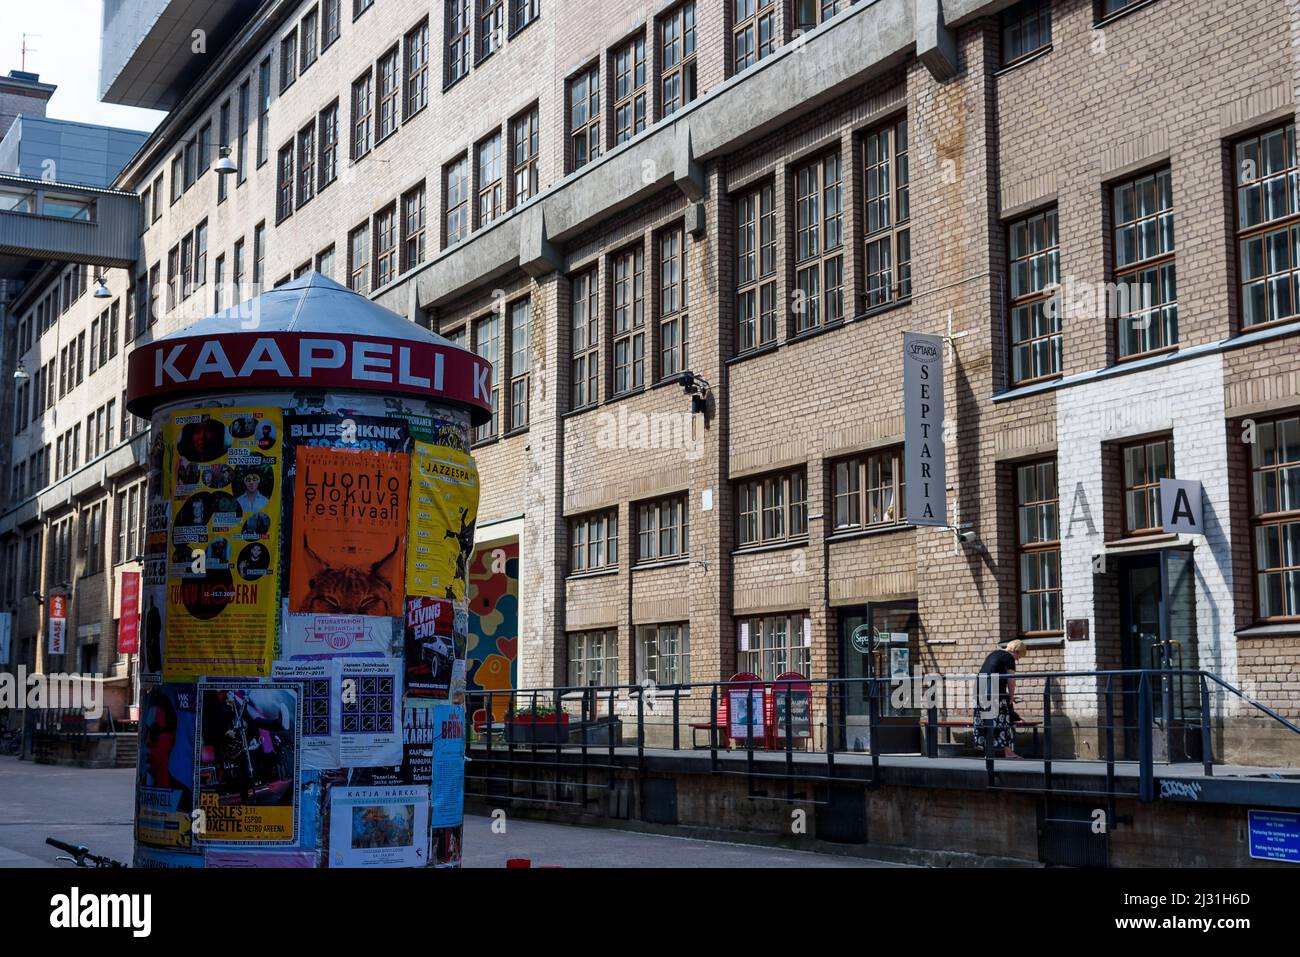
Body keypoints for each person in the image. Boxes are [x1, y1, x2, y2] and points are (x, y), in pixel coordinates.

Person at [973, 639, 1025, 759]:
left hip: (980, 690)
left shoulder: (994, 653)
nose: (1017, 660)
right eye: (1019, 656)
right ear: (1016, 651)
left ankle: (989, 753)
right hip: (994, 693)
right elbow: (1011, 680)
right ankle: (1008, 753)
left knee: (987, 721)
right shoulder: (1009, 657)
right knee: (1003, 721)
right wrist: (1011, 697)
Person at [142, 689, 192, 813]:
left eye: (154, 732)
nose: (147, 741)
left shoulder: (184, 797)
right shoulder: (141, 787)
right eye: (145, 732)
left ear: (171, 739)